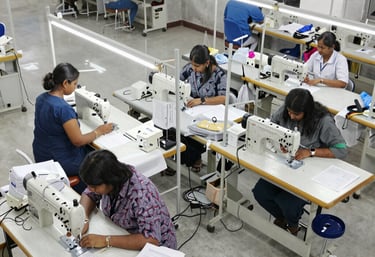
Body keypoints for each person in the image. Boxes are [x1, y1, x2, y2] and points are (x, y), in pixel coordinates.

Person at [252, 88, 347, 235]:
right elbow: (271, 124)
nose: (291, 116)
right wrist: (279, 141)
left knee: (288, 203)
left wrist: (311, 152)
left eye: (296, 114)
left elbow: (341, 149)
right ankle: (282, 217)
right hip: (286, 165)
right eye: (289, 112)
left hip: (309, 173)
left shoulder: (323, 122)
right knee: (260, 193)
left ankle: (293, 223)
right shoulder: (287, 110)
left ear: (307, 111)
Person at [32, 63, 113, 194]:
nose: (76, 88)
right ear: (65, 83)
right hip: (60, 162)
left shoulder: (41, 99)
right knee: (101, 158)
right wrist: (99, 131)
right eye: (75, 84)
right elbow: (78, 141)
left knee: (90, 148)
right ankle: (91, 193)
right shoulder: (63, 109)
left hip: (41, 155)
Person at [78, 149, 177, 250]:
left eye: (94, 186)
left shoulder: (142, 195)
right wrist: (83, 217)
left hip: (155, 249)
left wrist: (106, 240)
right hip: (122, 233)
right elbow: (89, 194)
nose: (91, 189)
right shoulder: (111, 176)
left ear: (110, 179)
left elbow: (151, 240)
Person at [179, 44, 227, 172]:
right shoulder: (190, 69)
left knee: (193, 133)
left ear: (206, 63)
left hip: (210, 114)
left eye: (196, 66)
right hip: (191, 109)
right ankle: (178, 158)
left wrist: (201, 100)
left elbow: (224, 98)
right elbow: (176, 81)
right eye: (192, 65)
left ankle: (194, 157)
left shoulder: (219, 75)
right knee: (176, 127)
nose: (193, 69)